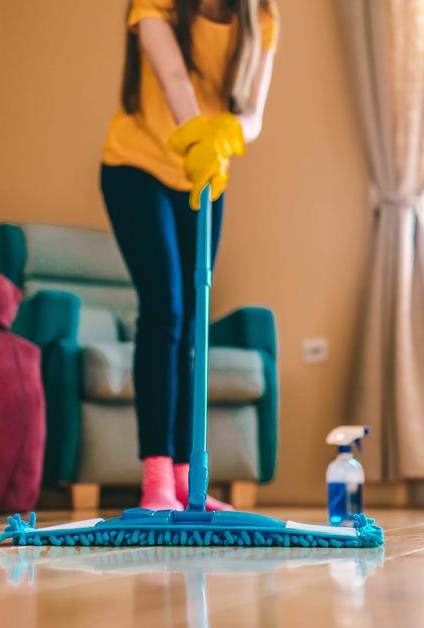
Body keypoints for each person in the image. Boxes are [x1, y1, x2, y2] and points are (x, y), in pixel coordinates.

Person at [100, 0, 279, 511]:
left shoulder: (262, 17)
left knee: (195, 322)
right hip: (136, 167)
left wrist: (227, 136)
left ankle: (185, 480)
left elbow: (254, 115)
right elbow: (174, 74)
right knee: (166, 311)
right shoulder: (156, 5)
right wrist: (199, 133)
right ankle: (156, 478)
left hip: (205, 175)